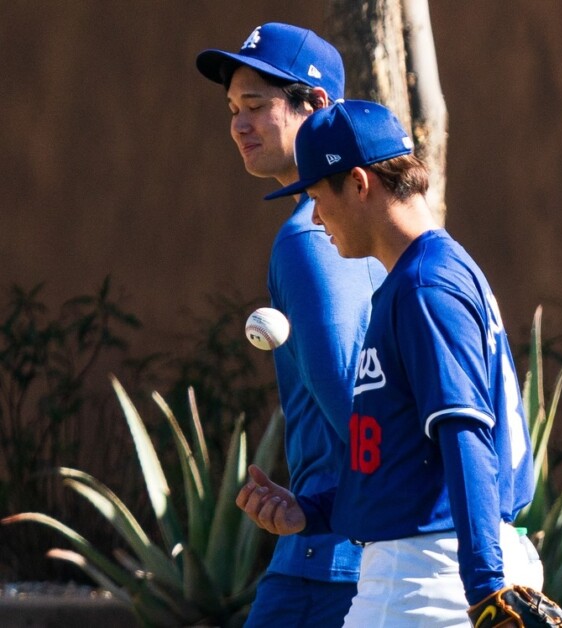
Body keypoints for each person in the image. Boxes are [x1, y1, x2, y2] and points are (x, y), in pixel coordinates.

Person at [253, 100, 562, 627]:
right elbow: (406, 459)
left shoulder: (425, 286)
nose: (315, 216)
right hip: (434, 569)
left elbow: (464, 433)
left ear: (359, 183)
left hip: (426, 582)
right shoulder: (426, 275)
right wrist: (309, 512)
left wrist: (486, 589)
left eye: (317, 195)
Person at [195, 24, 385, 628]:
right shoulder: (371, 229)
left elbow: (353, 410)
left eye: (256, 106)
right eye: (232, 109)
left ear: (318, 105)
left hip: (324, 572)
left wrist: (325, 514)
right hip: (358, 556)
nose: (238, 125)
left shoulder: (308, 238)